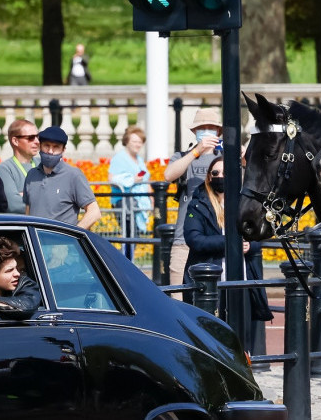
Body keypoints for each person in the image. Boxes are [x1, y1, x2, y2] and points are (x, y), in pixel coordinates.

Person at [182, 158, 273, 327]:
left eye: (225, 173)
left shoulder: (244, 203)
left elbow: (258, 235)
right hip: (212, 284)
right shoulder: (197, 205)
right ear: (209, 177)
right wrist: (231, 244)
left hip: (242, 280)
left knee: (242, 334)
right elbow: (194, 239)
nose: (220, 177)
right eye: (215, 173)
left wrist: (249, 246)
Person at [164, 107, 222, 300]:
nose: (206, 132)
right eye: (201, 128)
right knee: (178, 301)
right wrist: (196, 152)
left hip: (215, 243)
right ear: (194, 132)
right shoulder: (183, 157)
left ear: (219, 132)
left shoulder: (224, 161)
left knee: (215, 302)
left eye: (211, 128)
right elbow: (168, 175)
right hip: (183, 242)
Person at [23, 126, 101, 229]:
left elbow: (94, 212)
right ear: (40, 146)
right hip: (35, 242)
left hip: (62, 243)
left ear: (63, 150)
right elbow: (28, 210)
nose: (50, 151)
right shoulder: (32, 175)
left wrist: (73, 235)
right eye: (46, 146)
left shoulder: (73, 175)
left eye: (56, 147)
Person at [109, 126, 152, 235]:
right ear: (127, 141)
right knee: (130, 235)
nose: (138, 144)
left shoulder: (139, 160)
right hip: (124, 202)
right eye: (134, 141)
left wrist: (152, 199)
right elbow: (111, 180)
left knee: (135, 235)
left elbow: (147, 180)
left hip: (138, 203)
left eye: (140, 142)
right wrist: (131, 180)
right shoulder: (119, 158)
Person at [0, 119, 40, 214]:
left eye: (37, 136)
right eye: (30, 138)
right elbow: (14, 206)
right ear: (15, 141)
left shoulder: (43, 164)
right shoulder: (4, 169)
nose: (37, 141)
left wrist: (25, 196)